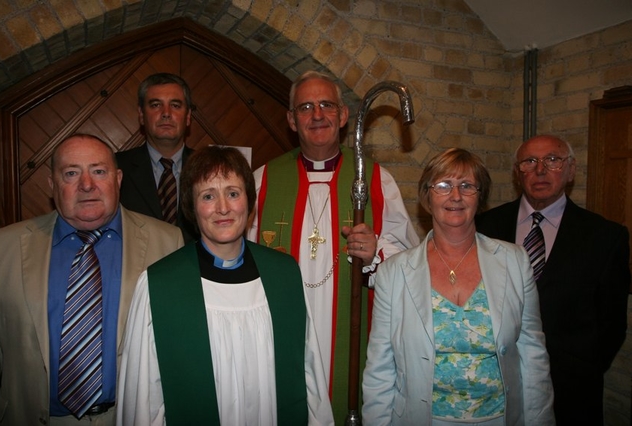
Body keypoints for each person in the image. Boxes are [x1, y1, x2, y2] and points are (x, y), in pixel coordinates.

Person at [117, 146, 333, 425]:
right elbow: (143, 400)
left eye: (233, 193)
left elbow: (310, 379)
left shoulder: (285, 276)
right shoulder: (159, 287)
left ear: (249, 201)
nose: (223, 208)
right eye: (208, 196)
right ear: (192, 208)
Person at [247, 70, 420, 420]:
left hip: (353, 338)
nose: (317, 115)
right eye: (306, 107)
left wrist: (376, 253)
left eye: (326, 105)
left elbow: (411, 266)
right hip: (280, 334)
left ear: (342, 116)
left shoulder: (375, 180)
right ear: (291, 120)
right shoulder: (262, 181)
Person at [0, 134, 184, 425]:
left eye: (98, 171)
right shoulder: (0, 249)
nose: (86, 185)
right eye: (71, 173)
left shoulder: (168, 243)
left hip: (128, 417)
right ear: (51, 184)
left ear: (117, 178)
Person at [362, 148, 555, 425]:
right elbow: (380, 369)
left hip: (499, 418)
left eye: (467, 186)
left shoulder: (514, 261)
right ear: (427, 196)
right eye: (443, 185)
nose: (455, 196)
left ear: (480, 196)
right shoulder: (394, 272)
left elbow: (533, 356)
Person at [475, 134, 630, 425]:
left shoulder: (606, 237)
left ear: (571, 170)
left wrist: (582, 367)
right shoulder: (485, 227)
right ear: (517, 172)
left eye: (553, 160)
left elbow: (612, 323)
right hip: (493, 382)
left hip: (572, 391)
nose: (540, 170)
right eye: (530, 161)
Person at [116, 72, 198, 242]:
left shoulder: (209, 168)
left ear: (188, 116)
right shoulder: (115, 167)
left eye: (175, 105)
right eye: (155, 105)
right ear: (141, 114)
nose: (166, 113)